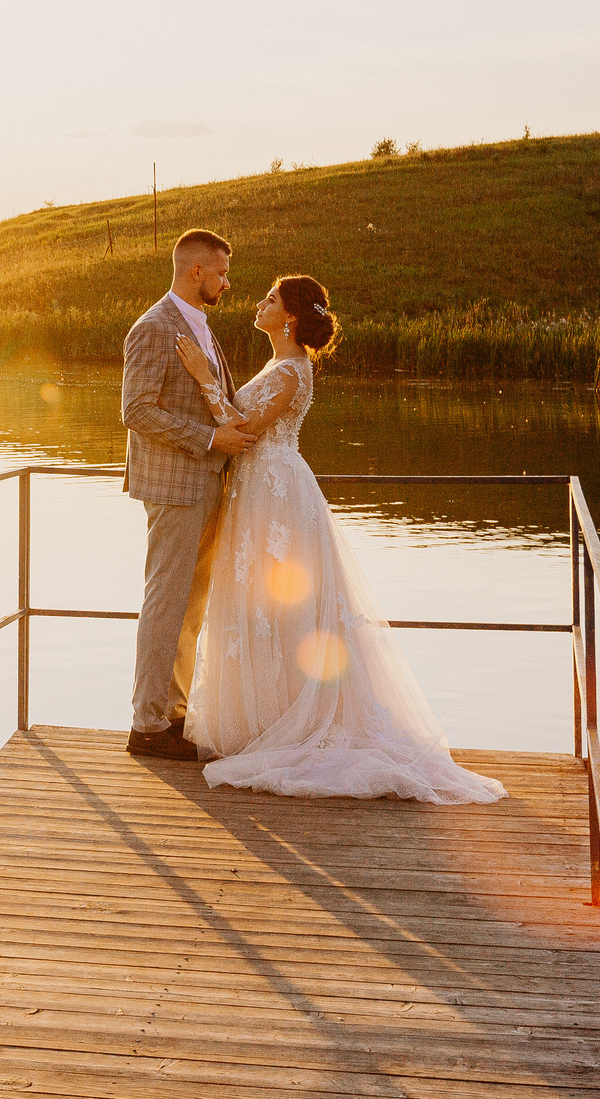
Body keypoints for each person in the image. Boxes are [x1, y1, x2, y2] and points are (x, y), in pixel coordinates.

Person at [174, 274, 506, 804]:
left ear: (288, 316)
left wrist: (201, 377)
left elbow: (247, 429)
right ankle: (263, 720)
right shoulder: (276, 364)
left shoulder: (290, 371)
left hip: (277, 492)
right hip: (258, 491)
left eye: (269, 299)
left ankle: (293, 722)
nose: (257, 304)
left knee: (284, 606)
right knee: (258, 603)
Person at [119, 229, 260, 759]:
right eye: (221, 272)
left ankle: (172, 714)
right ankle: (147, 726)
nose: (227, 281)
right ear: (195, 271)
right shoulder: (154, 327)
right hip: (176, 487)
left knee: (190, 605)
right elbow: (136, 411)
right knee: (167, 601)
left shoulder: (199, 326)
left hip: (206, 484)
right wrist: (209, 438)